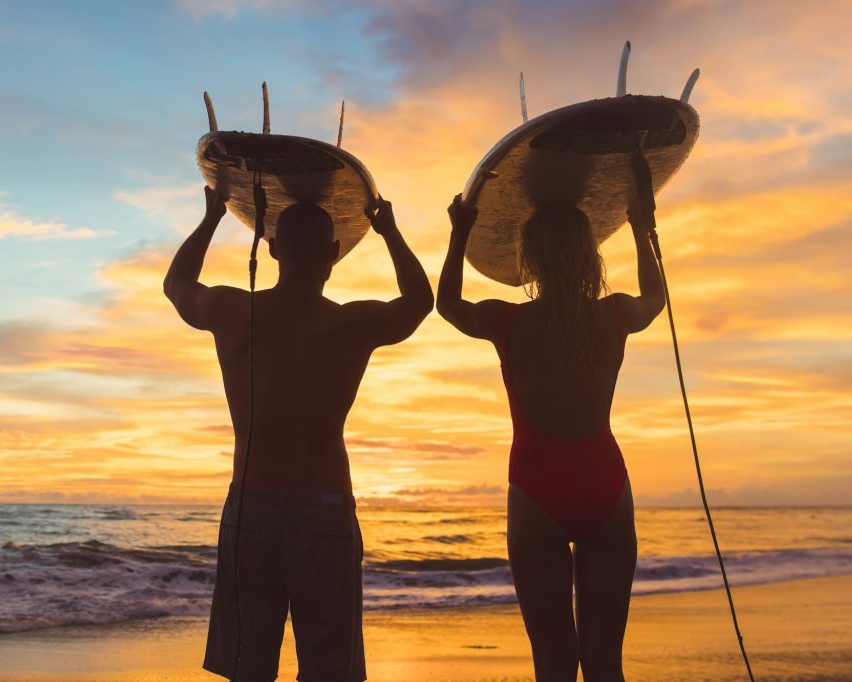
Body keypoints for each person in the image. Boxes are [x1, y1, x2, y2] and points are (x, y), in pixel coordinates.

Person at [163, 186, 433, 681]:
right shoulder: (350, 324)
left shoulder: (232, 312)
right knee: (329, 670)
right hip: (323, 510)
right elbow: (420, 300)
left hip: (250, 510)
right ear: (333, 253)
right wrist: (388, 231)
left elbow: (177, 282)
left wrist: (211, 217)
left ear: (272, 249)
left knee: (248, 668)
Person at [436, 149, 664, 682]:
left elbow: (448, 305)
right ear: (592, 257)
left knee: (554, 665)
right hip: (604, 482)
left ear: (529, 260)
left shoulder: (509, 322)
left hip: (537, 486)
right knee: (606, 663)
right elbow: (655, 296)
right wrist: (639, 224)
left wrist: (459, 232)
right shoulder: (614, 316)